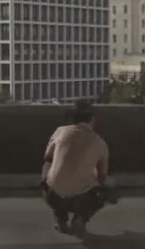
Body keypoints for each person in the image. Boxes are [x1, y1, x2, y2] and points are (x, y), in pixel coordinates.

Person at [40, 100, 116, 236]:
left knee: (51, 173)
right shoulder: (100, 143)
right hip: (79, 200)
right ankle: (80, 220)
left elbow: (47, 159)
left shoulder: (59, 132)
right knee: (106, 191)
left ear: (71, 118)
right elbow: (102, 177)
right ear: (92, 119)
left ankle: (60, 219)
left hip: (52, 195)